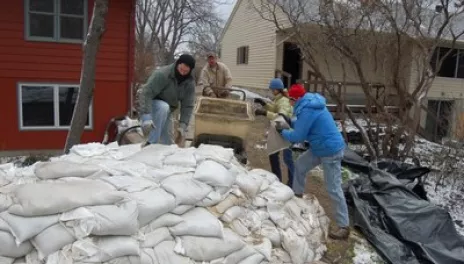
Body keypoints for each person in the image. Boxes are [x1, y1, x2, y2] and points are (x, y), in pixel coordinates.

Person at [275, 85, 350, 240]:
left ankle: (344, 227)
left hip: (330, 150)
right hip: (319, 146)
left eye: (290, 99)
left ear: (295, 99)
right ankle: (297, 195)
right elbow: (303, 125)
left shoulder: (308, 109)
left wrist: (282, 131)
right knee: (301, 164)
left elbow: (298, 137)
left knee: (333, 188)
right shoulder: (308, 104)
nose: (289, 102)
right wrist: (289, 122)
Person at [138, 54, 196, 147]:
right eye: (183, 66)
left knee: (167, 143)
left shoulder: (189, 82)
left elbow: (188, 105)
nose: (184, 69)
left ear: (190, 69)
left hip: (167, 110)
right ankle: (150, 144)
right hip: (152, 106)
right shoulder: (163, 74)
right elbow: (146, 93)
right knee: (163, 106)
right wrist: (146, 116)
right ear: (178, 63)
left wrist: (183, 126)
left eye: (187, 68)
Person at [254, 78, 295, 187]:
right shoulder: (280, 99)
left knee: (287, 158)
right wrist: (264, 104)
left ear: (277, 89)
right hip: (281, 127)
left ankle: (290, 182)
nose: (272, 91)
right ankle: (278, 180)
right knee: (275, 154)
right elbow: (275, 108)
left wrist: (265, 113)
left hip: (286, 128)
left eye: (273, 89)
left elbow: (281, 117)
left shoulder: (284, 101)